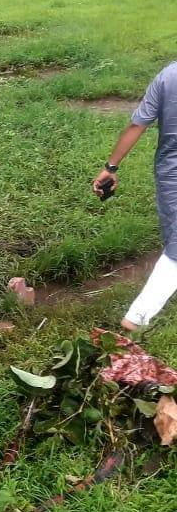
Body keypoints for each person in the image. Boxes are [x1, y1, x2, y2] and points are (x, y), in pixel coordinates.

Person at [93, 62, 177, 331]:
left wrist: (111, 167)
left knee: (173, 232)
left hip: (170, 172)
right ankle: (137, 317)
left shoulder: (168, 75)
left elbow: (137, 124)